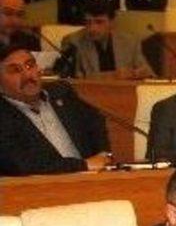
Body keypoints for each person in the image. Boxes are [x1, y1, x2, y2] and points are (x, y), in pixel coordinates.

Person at [0, 45, 111, 176]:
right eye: (15, 70)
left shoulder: (61, 93)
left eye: (30, 65)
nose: (27, 75)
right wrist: (84, 165)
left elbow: (95, 122)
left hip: (92, 178)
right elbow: (22, 165)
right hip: (40, 185)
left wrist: (103, 154)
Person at [60, 0, 154, 79]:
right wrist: (114, 75)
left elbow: (149, 73)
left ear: (112, 22)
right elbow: (74, 78)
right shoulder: (74, 41)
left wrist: (137, 73)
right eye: (88, 22)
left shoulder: (130, 42)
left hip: (124, 92)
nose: (92, 28)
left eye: (99, 22)